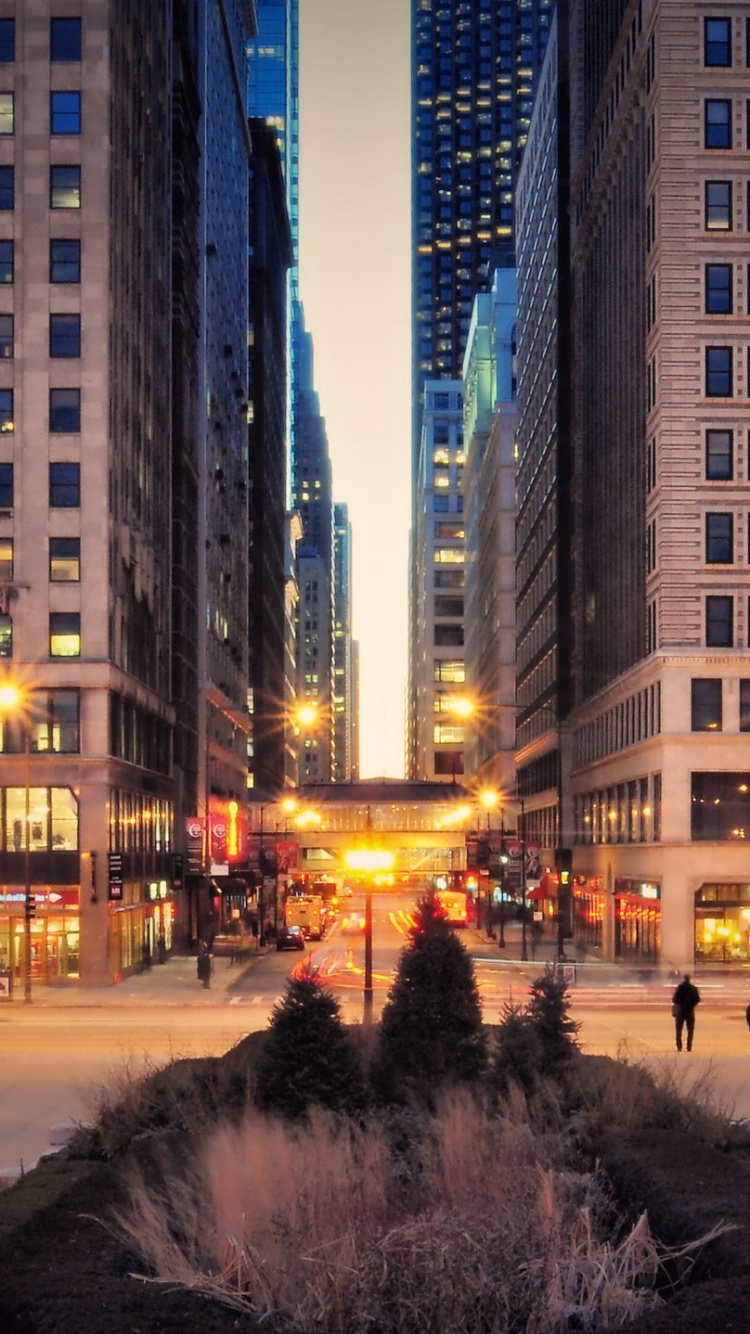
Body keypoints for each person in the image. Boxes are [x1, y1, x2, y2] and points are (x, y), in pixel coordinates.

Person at [672, 972, 700, 1051]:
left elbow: (675, 999)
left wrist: (679, 1004)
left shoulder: (680, 987)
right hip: (690, 1011)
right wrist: (691, 1004)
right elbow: (697, 999)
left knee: (678, 1029)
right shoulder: (693, 988)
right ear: (689, 979)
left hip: (680, 1011)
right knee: (690, 1030)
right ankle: (689, 1046)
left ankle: (679, 1046)